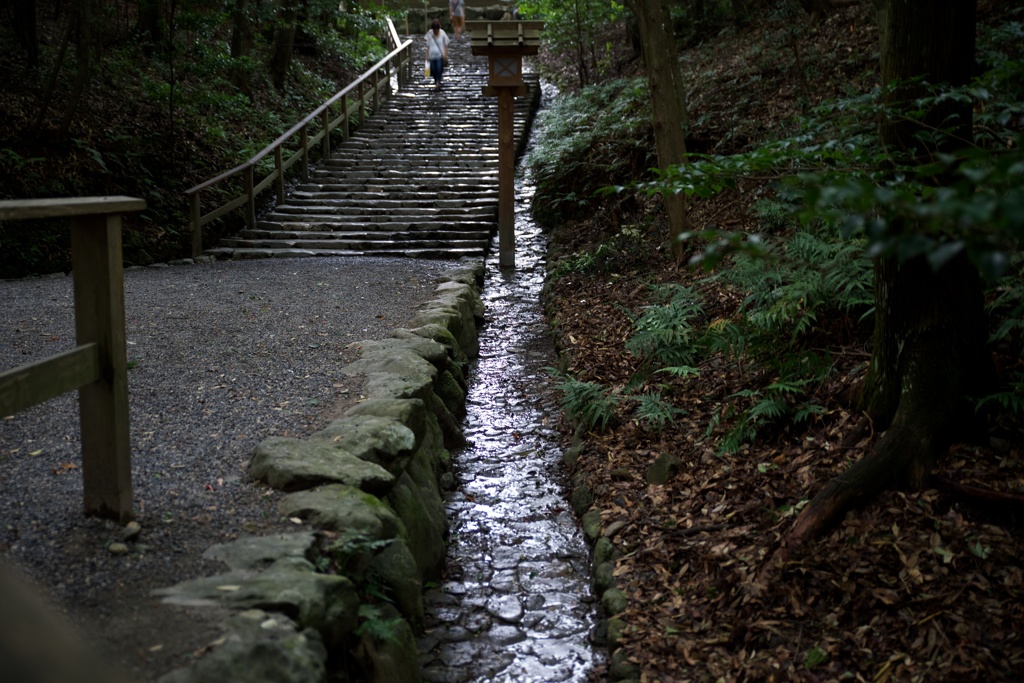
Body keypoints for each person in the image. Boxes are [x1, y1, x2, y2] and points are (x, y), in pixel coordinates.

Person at [425, 18, 450, 89]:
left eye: (436, 29)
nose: (435, 31)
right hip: (431, 55)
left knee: (439, 68)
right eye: (434, 29)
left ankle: (438, 82)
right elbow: (428, 45)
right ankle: (436, 80)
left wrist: (445, 54)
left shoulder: (442, 33)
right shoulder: (430, 33)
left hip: (439, 55)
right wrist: (427, 55)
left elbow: (446, 44)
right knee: (432, 69)